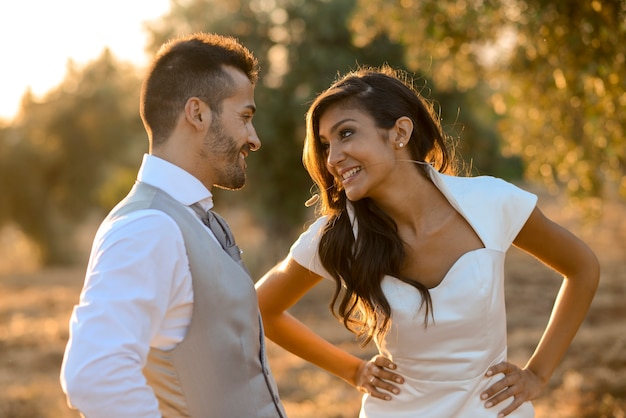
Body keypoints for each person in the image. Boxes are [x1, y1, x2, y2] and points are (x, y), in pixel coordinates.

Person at [255, 66, 599, 417]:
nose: (332, 159)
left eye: (346, 134)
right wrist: (353, 370)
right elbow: (260, 309)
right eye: (327, 145)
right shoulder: (338, 236)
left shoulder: (491, 203)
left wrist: (538, 374)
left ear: (400, 132)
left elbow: (582, 268)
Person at [60, 33, 286, 418]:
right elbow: (94, 374)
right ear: (197, 113)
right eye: (245, 117)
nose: (254, 138)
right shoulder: (148, 228)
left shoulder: (190, 218)